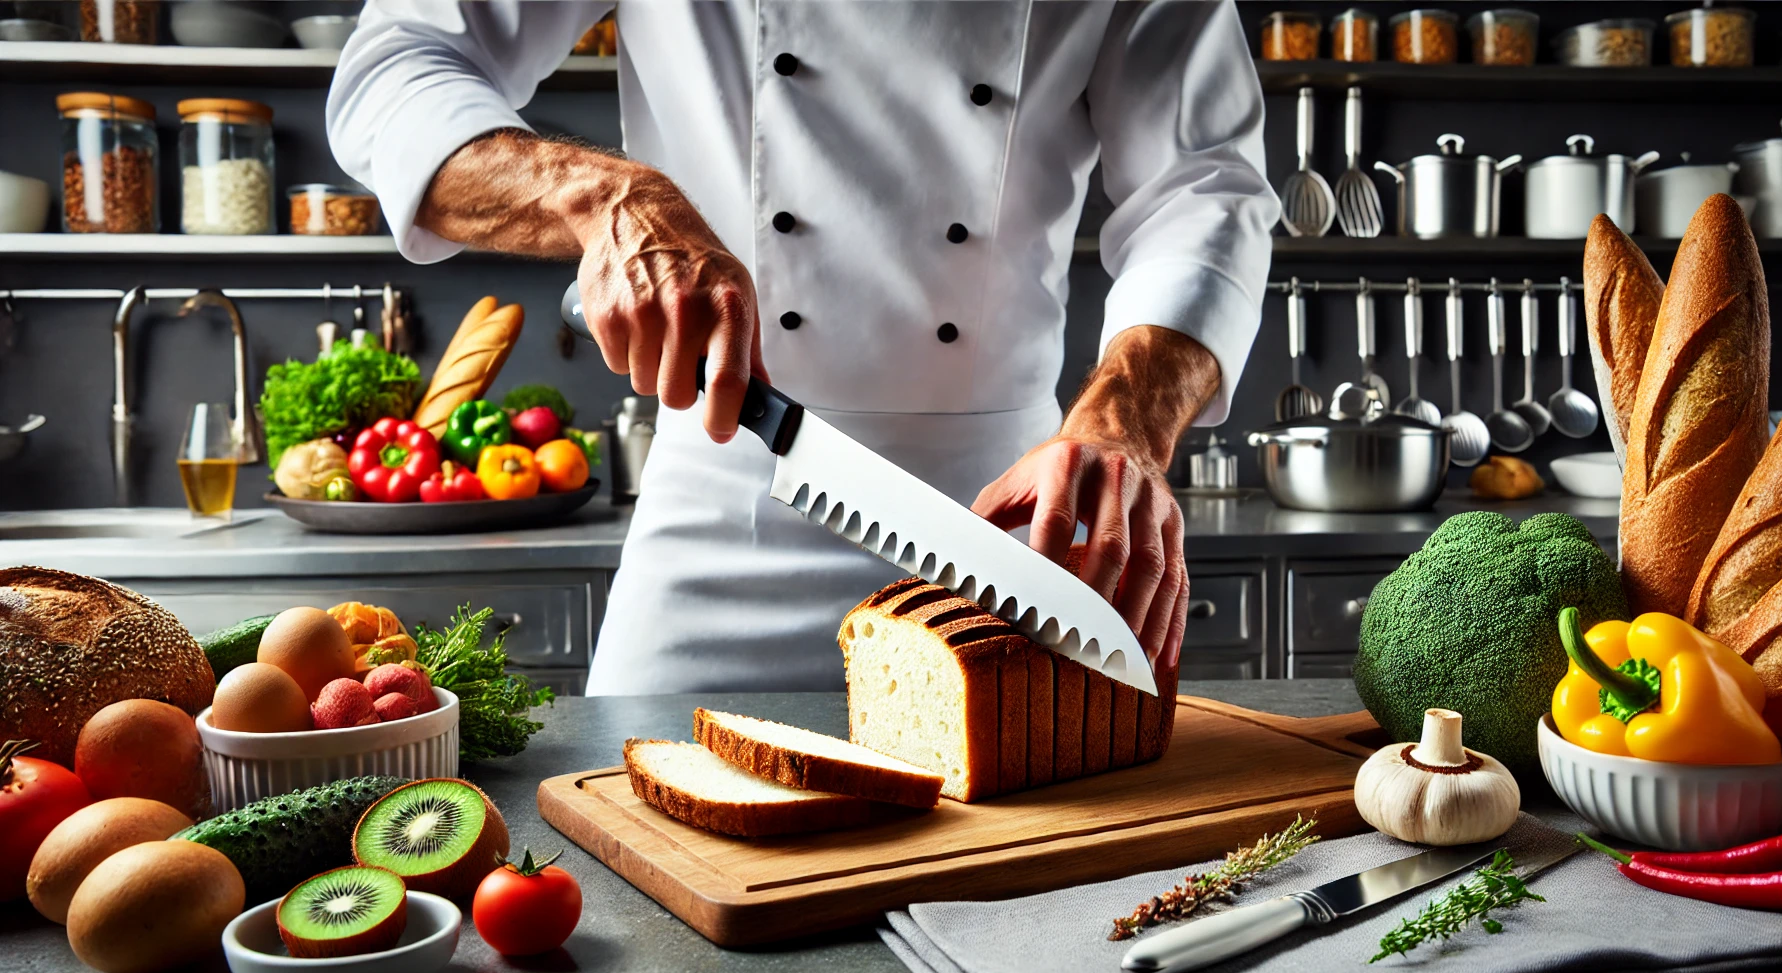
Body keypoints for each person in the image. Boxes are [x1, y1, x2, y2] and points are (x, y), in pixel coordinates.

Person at [328, 1, 1276, 695]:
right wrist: (597, 196)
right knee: (653, 872)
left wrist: (1127, 420)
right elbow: (394, 69)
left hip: (1011, 529)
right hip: (720, 499)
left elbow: (1206, 185)